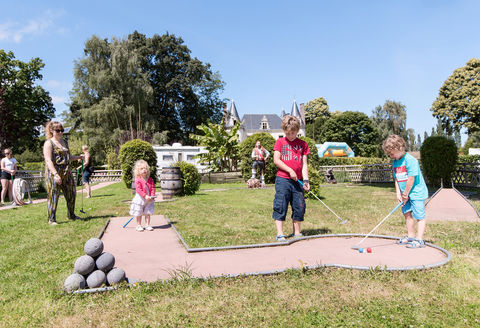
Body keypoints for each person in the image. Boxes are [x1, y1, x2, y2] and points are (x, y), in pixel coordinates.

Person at [382, 134, 428, 248]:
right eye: (389, 154)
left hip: (416, 192)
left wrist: (406, 194)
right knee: (407, 214)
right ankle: (411, 236)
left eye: (392, 153)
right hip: (404, 194)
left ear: (400, 148)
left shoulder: (410, 160)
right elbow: (397, 178)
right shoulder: (395, 162)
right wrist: (399, 193)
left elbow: (411, 178)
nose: (391, 156)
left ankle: (419, 239)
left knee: (419, 216)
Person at [272, 115, 310, 241]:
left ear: (298, 130)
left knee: (299, 205)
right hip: (283, 179)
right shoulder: (280, 142)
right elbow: (276, 160)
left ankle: (297, 233)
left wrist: (306, 180)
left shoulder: (303, 144)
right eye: (287, 133)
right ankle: (280, 233)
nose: (290, 136)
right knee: (281, 204)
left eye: (293, 133)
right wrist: (289, 170)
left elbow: (304, 164)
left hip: (297, 181)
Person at [43, 121, 83, 225]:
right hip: (54, 172)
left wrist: (78, 157)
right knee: (53, 196)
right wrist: (55, 174)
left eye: (62, 130)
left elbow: (68, 158)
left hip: (66, 171)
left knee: (72, 193)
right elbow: (48, 160)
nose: (60, 132)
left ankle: (71, 215)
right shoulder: (48, 143)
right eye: (58, 130)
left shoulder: (65, 142)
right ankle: (51, 219)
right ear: (52, 131)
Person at [130, 160, 156, 232]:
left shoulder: (150, 180)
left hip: (149, 199)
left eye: (145, 168)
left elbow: (153, 188)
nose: (144, 170)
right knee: (139, 212)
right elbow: (138, 190)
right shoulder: (138, 180)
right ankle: (139, 225)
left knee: (148, 212)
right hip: (140, 199)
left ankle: (147, 225)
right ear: (138, 171)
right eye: (142, 169)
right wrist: (145, 196)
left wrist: (152, 196)